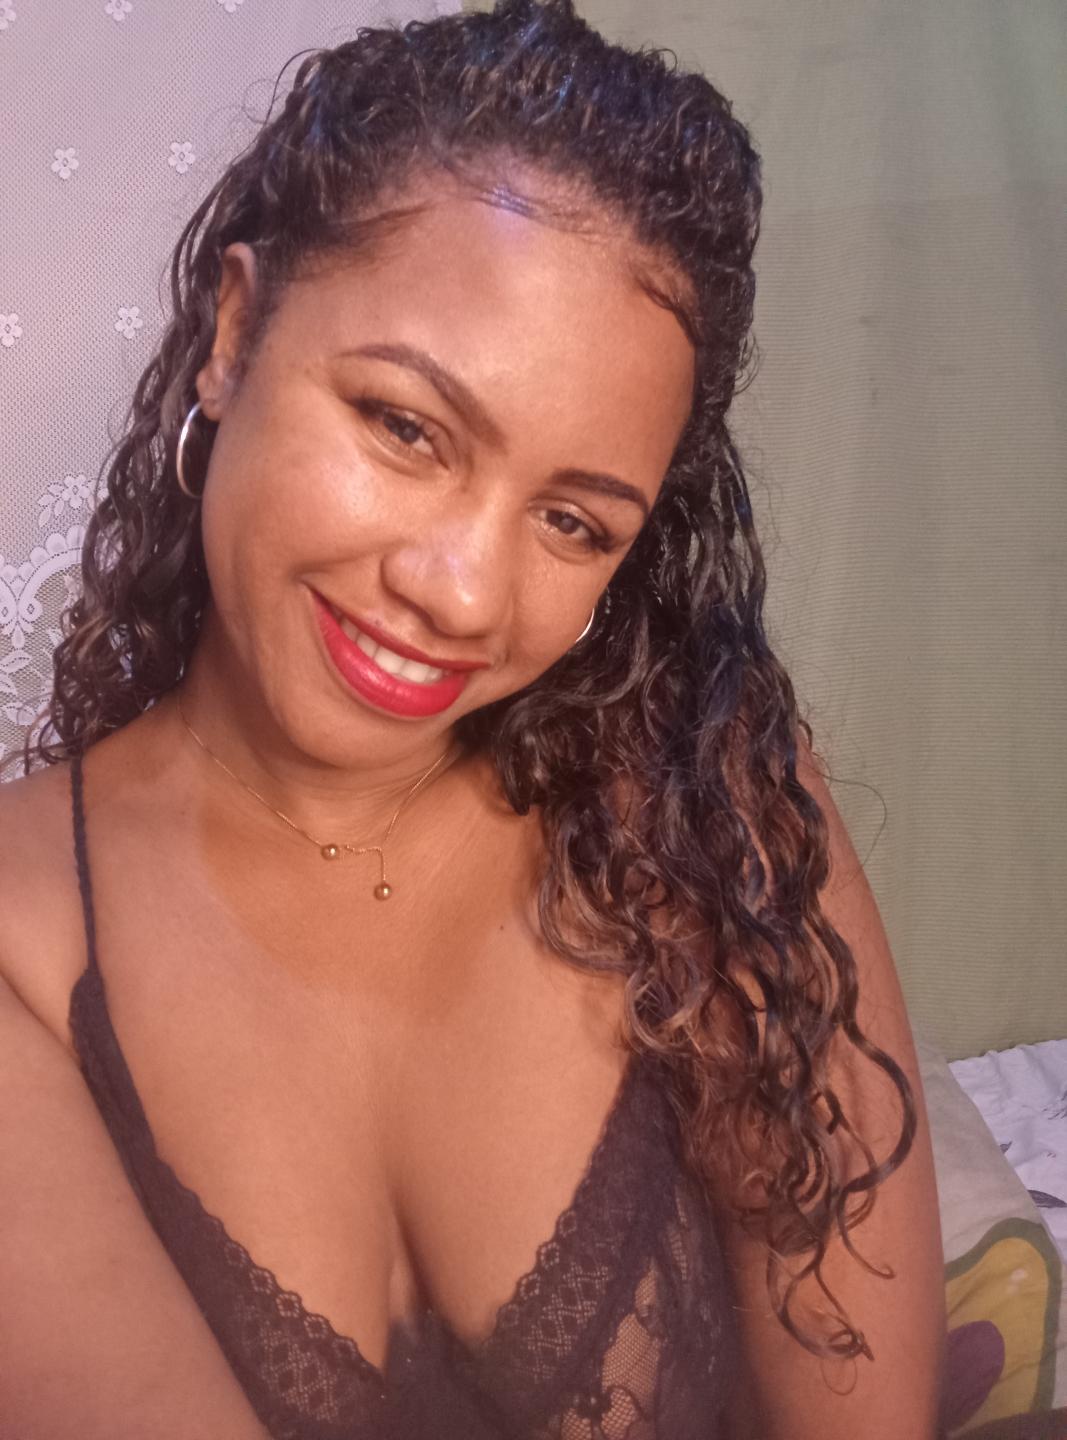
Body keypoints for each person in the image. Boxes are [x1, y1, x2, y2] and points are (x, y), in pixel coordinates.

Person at [0, 1, 947, 1436]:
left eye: (573, 521)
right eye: (405, 427)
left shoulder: (696, 796)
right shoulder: (27, 947)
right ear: (236, 334)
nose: (458, 593)